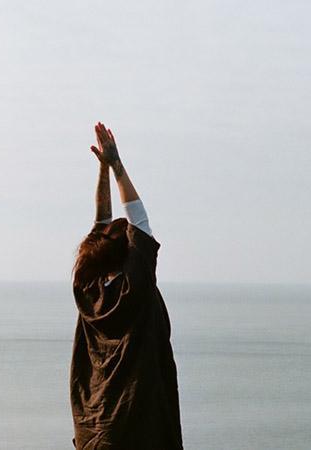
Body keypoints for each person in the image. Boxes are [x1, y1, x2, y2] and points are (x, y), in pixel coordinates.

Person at [70, 122, 183, 449]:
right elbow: (139, 221)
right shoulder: (135, 289)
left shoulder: (87, 290)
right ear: (127, 255)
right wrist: (116, 165)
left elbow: (101, 225)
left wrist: (103, 169)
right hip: (136, 429)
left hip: (94, 431)